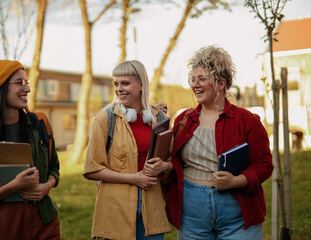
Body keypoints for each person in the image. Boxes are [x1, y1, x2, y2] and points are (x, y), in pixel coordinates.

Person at [164, 46, 274, 240]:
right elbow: (173, 161)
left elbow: (264, 165)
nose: (195, 85)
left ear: (221, 83)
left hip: (237, 214)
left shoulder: (248, 121)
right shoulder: (183, 119)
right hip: (192, 215)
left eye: (202, 79)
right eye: (193, 79)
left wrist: (236, 181)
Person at [0, 60, 60, 240]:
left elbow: (54, 169)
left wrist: (46, 187)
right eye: (19, 83)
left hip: (45, 220)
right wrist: (13, 186)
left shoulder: (40, 124)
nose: (27, 89)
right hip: (5, 226)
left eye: (26, 83)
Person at [83, 60, 172, 240]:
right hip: (118, 210)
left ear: (141, 85)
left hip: (152, 210)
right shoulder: (105, 118)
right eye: (116, 84)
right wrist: (134, 179)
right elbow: (92, 169)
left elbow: (171, 162)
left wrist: (164, 167)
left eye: (125, 83)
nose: (119, 89)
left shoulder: (158, 117)